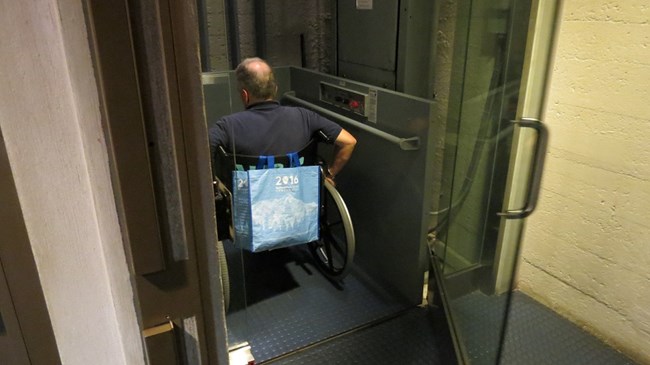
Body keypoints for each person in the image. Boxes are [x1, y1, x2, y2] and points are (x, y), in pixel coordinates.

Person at [209, 57, 356, 186]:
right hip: (300, 210)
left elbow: (201, 158)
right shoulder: (305, 117)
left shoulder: (227, 126)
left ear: (244, 95)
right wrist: (329, 175)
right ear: (275, 89)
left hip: (249, 214)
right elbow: (349, 142)